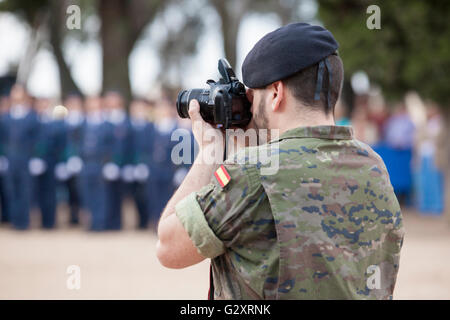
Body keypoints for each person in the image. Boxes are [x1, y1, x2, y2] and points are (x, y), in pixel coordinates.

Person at [156, 23, 405, 299]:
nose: (248, 107)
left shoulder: (254, 173)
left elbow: (168, 247)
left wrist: (210, 152)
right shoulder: (373, 165)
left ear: (276, 93)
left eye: (252, 96)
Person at [2, 84, 39, 230]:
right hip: (10, 158)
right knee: (11, 190)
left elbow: (37, 140)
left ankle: (23, 222)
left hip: (25, 158)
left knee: (25, 191)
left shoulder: (32, 117)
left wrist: (36, 157)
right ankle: (14, 220)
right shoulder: (5, 118)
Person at [29, 97, 66, 229]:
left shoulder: (56, 123)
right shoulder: (31, 120)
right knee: (33, 193)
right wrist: (34, 157)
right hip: (32, 162)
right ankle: (31, 222)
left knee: (50, 193)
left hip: (51, 161)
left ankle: (49, 222)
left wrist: (62, 162)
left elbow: (61, 144)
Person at [79, 96, 111, 231]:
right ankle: (90, 223)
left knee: (100, 195)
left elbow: (111, 146)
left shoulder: (107, 124)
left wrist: (110, 163)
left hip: (100, 164)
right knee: (87, 194)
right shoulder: (83, 123)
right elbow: (76, 142)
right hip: (86, 164)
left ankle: (100, 223)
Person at [102, 91, 132, 230]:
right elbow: (103, 145)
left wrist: (129, 164)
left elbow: (130, 145)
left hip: (123, 165)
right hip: (107, 166)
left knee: (121, 195)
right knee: (107, 195)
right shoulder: (104, 121)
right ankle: (108, 222)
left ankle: (118, 223)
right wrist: (107, 163)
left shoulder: (126, 121)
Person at [129, 98, 155, 229]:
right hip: (133, 166)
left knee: (148, 195)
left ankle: (149, 220)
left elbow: (152, 148)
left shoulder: (151, 127)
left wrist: (145, 164)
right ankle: (140, 221)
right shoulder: (129, 126)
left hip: (148, 167)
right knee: (135, 196)